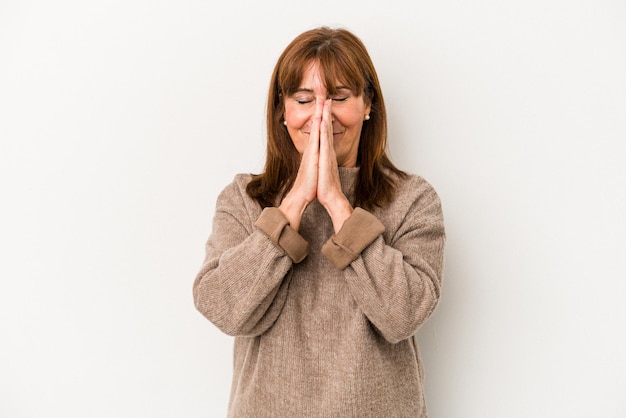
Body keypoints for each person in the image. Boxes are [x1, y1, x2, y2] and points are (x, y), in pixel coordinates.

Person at [193, 26, 445, 417]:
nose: (321, 116)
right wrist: (293, 204)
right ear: (283, 110)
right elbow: (222, 308)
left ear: (367, 104)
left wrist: (337, 204)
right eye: (304, 99)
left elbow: (404, 315)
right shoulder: (244, 199)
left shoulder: (413, 200)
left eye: (339, 98)